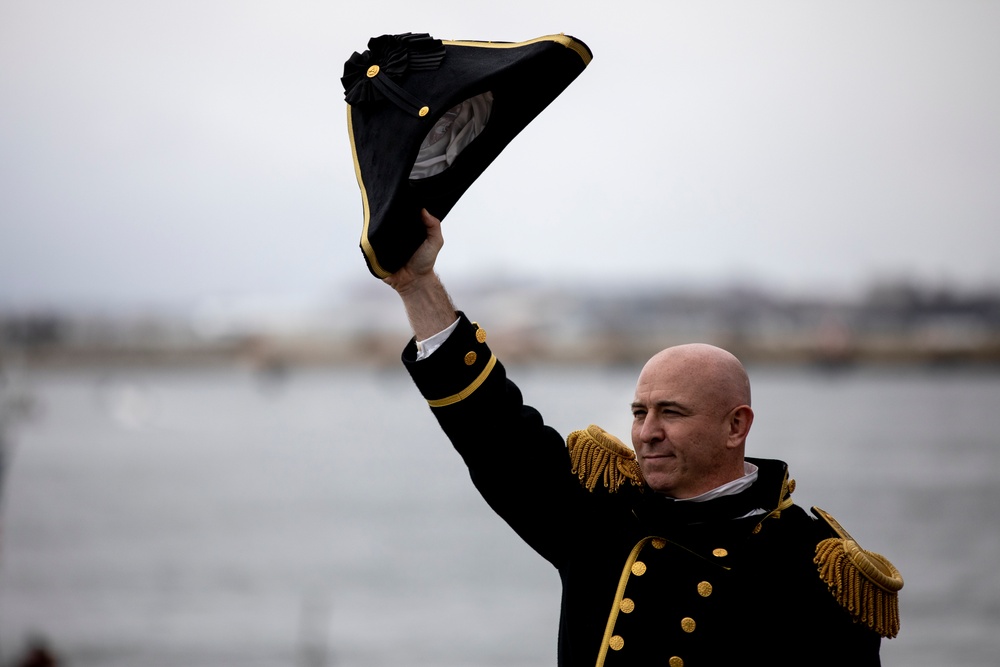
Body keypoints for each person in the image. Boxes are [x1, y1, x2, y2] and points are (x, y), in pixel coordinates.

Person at [384, 210, 902, 666]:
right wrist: (417, 285)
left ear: (735, 426)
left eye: (671, 413)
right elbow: (494, 432)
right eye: (639, 412)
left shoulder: (813, 563)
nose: (646, 434)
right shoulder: (602, 516)